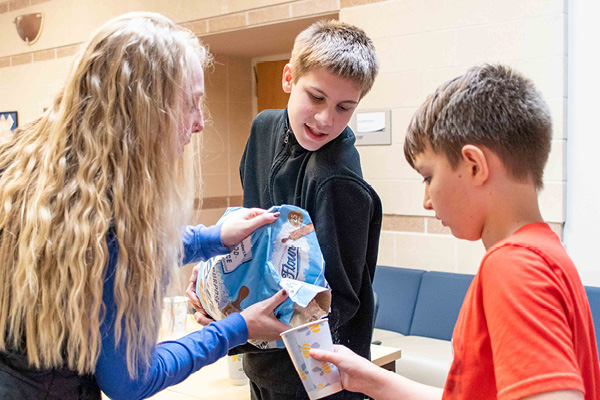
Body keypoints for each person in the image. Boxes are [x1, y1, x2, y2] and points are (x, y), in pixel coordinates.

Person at [0, 12, 290, 400]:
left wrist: (211, 239)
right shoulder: (113, 216)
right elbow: (130, 381)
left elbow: (101, 255)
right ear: (146, 111)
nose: (199, 123)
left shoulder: (29, 165)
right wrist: (237, 328)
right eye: (190, 104)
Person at [310, 64, 600, 400]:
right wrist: (373, 380)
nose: (426, 202)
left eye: (429, 177)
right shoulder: (546, 253)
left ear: (475, 166)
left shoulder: (513, 267)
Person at [187, 19, 382, 400]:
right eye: (316, 97)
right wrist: (213, 279)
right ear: (288, 78)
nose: (326, 119)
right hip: (262, 362)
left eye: (345, 107)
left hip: (319, 377)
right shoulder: (264, 129)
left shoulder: (338, 180)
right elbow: (248, 240)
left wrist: (236, 326)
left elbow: (336, 302)